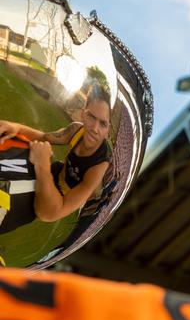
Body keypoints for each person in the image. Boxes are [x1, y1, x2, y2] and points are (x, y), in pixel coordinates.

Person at [0, 84, 111, 231]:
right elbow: (44, 137)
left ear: (108, 129)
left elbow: (49, 213)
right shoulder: (76, 130)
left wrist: (42, 164)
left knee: (8, 206)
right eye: (91, 117)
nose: (95, 129)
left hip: (55, 198)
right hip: (53, 172)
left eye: (103, 123)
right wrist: (16, 127)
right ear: (83, 114)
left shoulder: (98, 168)